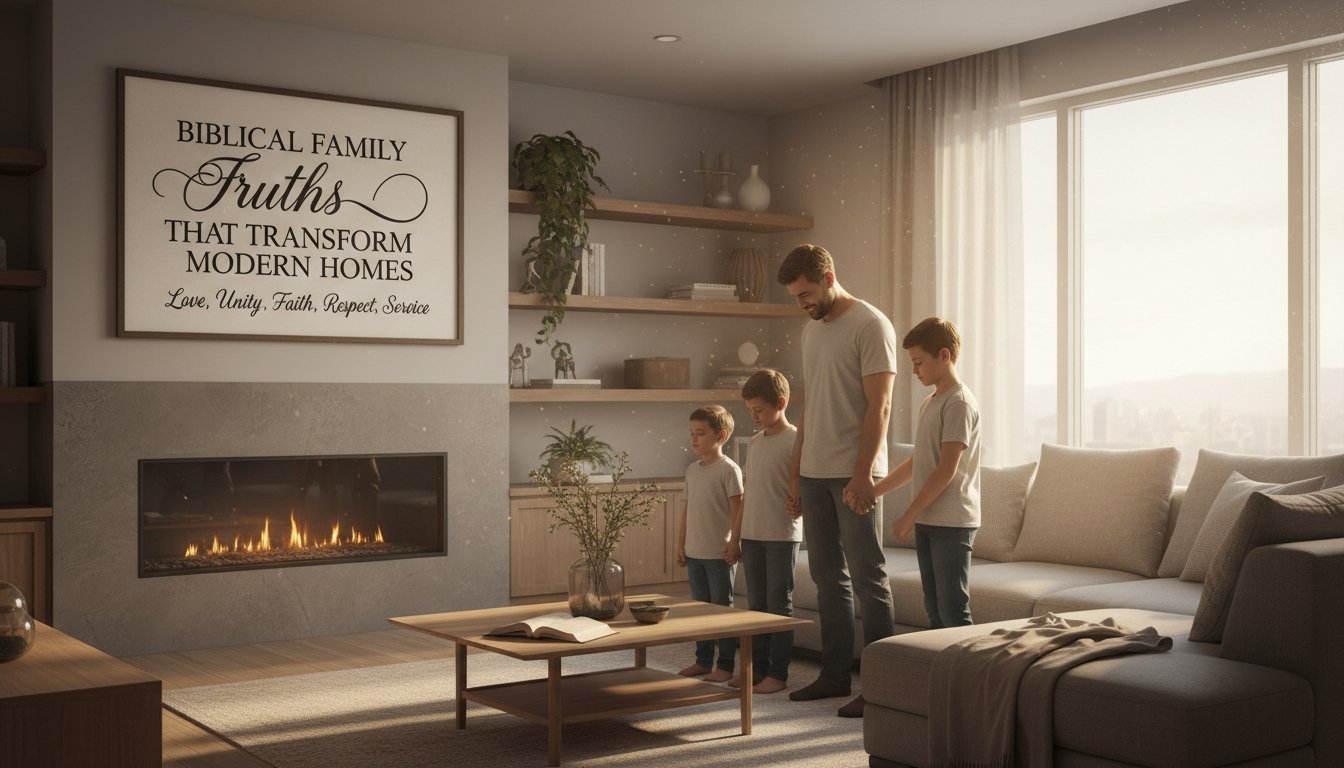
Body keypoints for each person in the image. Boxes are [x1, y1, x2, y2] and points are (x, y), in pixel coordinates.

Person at [778, 244, 897, 718]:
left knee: (869, 579)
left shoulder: (871, 325)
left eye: (806, 293)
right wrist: (794, 473)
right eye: (795, 297)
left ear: (829, 277)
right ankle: (832, 677)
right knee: (828, 579)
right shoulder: (811, 331)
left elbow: (880, 406)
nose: (802, 303)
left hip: (854, 474)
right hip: (813, 472)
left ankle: (885, 687)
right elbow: (812, 406)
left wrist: (864, 473)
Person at [863, 317, 981, 629]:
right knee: (933, 605)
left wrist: (909, 514)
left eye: (919, 363)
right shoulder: (931, 401)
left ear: (944, 355)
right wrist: (874, 491)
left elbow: (945, 470)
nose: (915, 371)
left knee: (953, 609)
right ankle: (942, 675)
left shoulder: (959, 403)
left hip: (952, 522)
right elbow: (920, 462)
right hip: (930, 520)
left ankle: (963, 678)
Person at [727, 368, 801, 695]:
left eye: (759, 410)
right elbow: (748, 494)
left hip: (782, 536)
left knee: (778, 604)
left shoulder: (797, 439)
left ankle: (778, 673)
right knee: (755, 605)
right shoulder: (755, 443)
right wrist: (735, 537)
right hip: (753, 536)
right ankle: (755, 669)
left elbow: (803, 488)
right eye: (751, 411)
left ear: (780, 403)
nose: (754, 416)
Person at [676, 404, 745, 683]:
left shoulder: (729, 470)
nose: (694, 439)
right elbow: (686, 510)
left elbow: (737, 512)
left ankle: (725, 665)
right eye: (691, 433)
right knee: (699, 610)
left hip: (719, 554)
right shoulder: (692, 470)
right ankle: (703, 661)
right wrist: (680, 544)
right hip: (695, 552)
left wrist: (735, 543)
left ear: (722, 435)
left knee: (721, 610)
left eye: (700, 433)